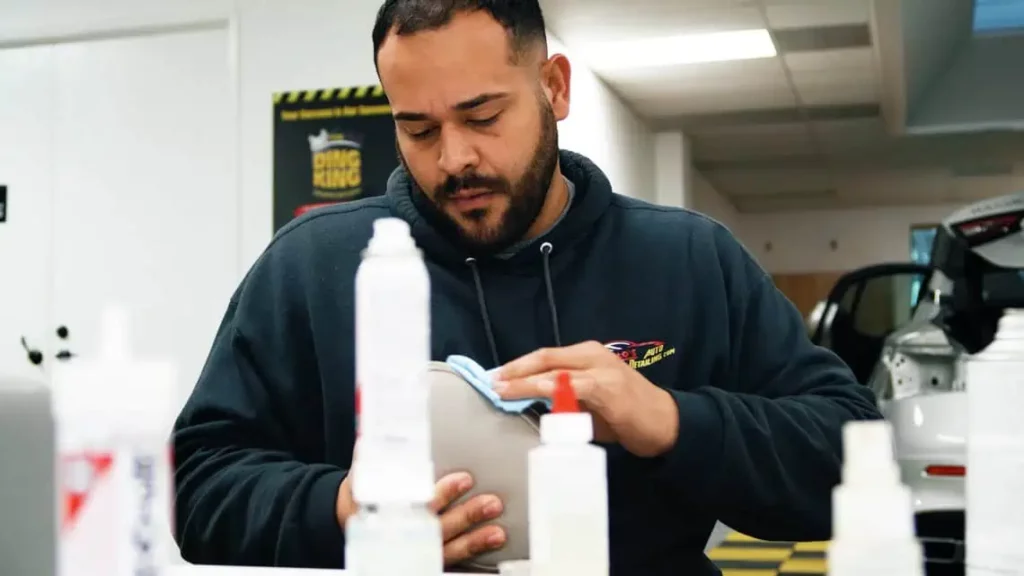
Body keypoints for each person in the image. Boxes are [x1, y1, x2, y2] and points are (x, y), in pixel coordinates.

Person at [172, 0, 884, 574]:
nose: (455, 159)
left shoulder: (690, 259)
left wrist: (668, 420)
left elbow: (849, 460)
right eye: (417, 130)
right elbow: (197, 485)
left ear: (555, 87)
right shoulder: (315, 267)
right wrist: (340, 508)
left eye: (482, 117)